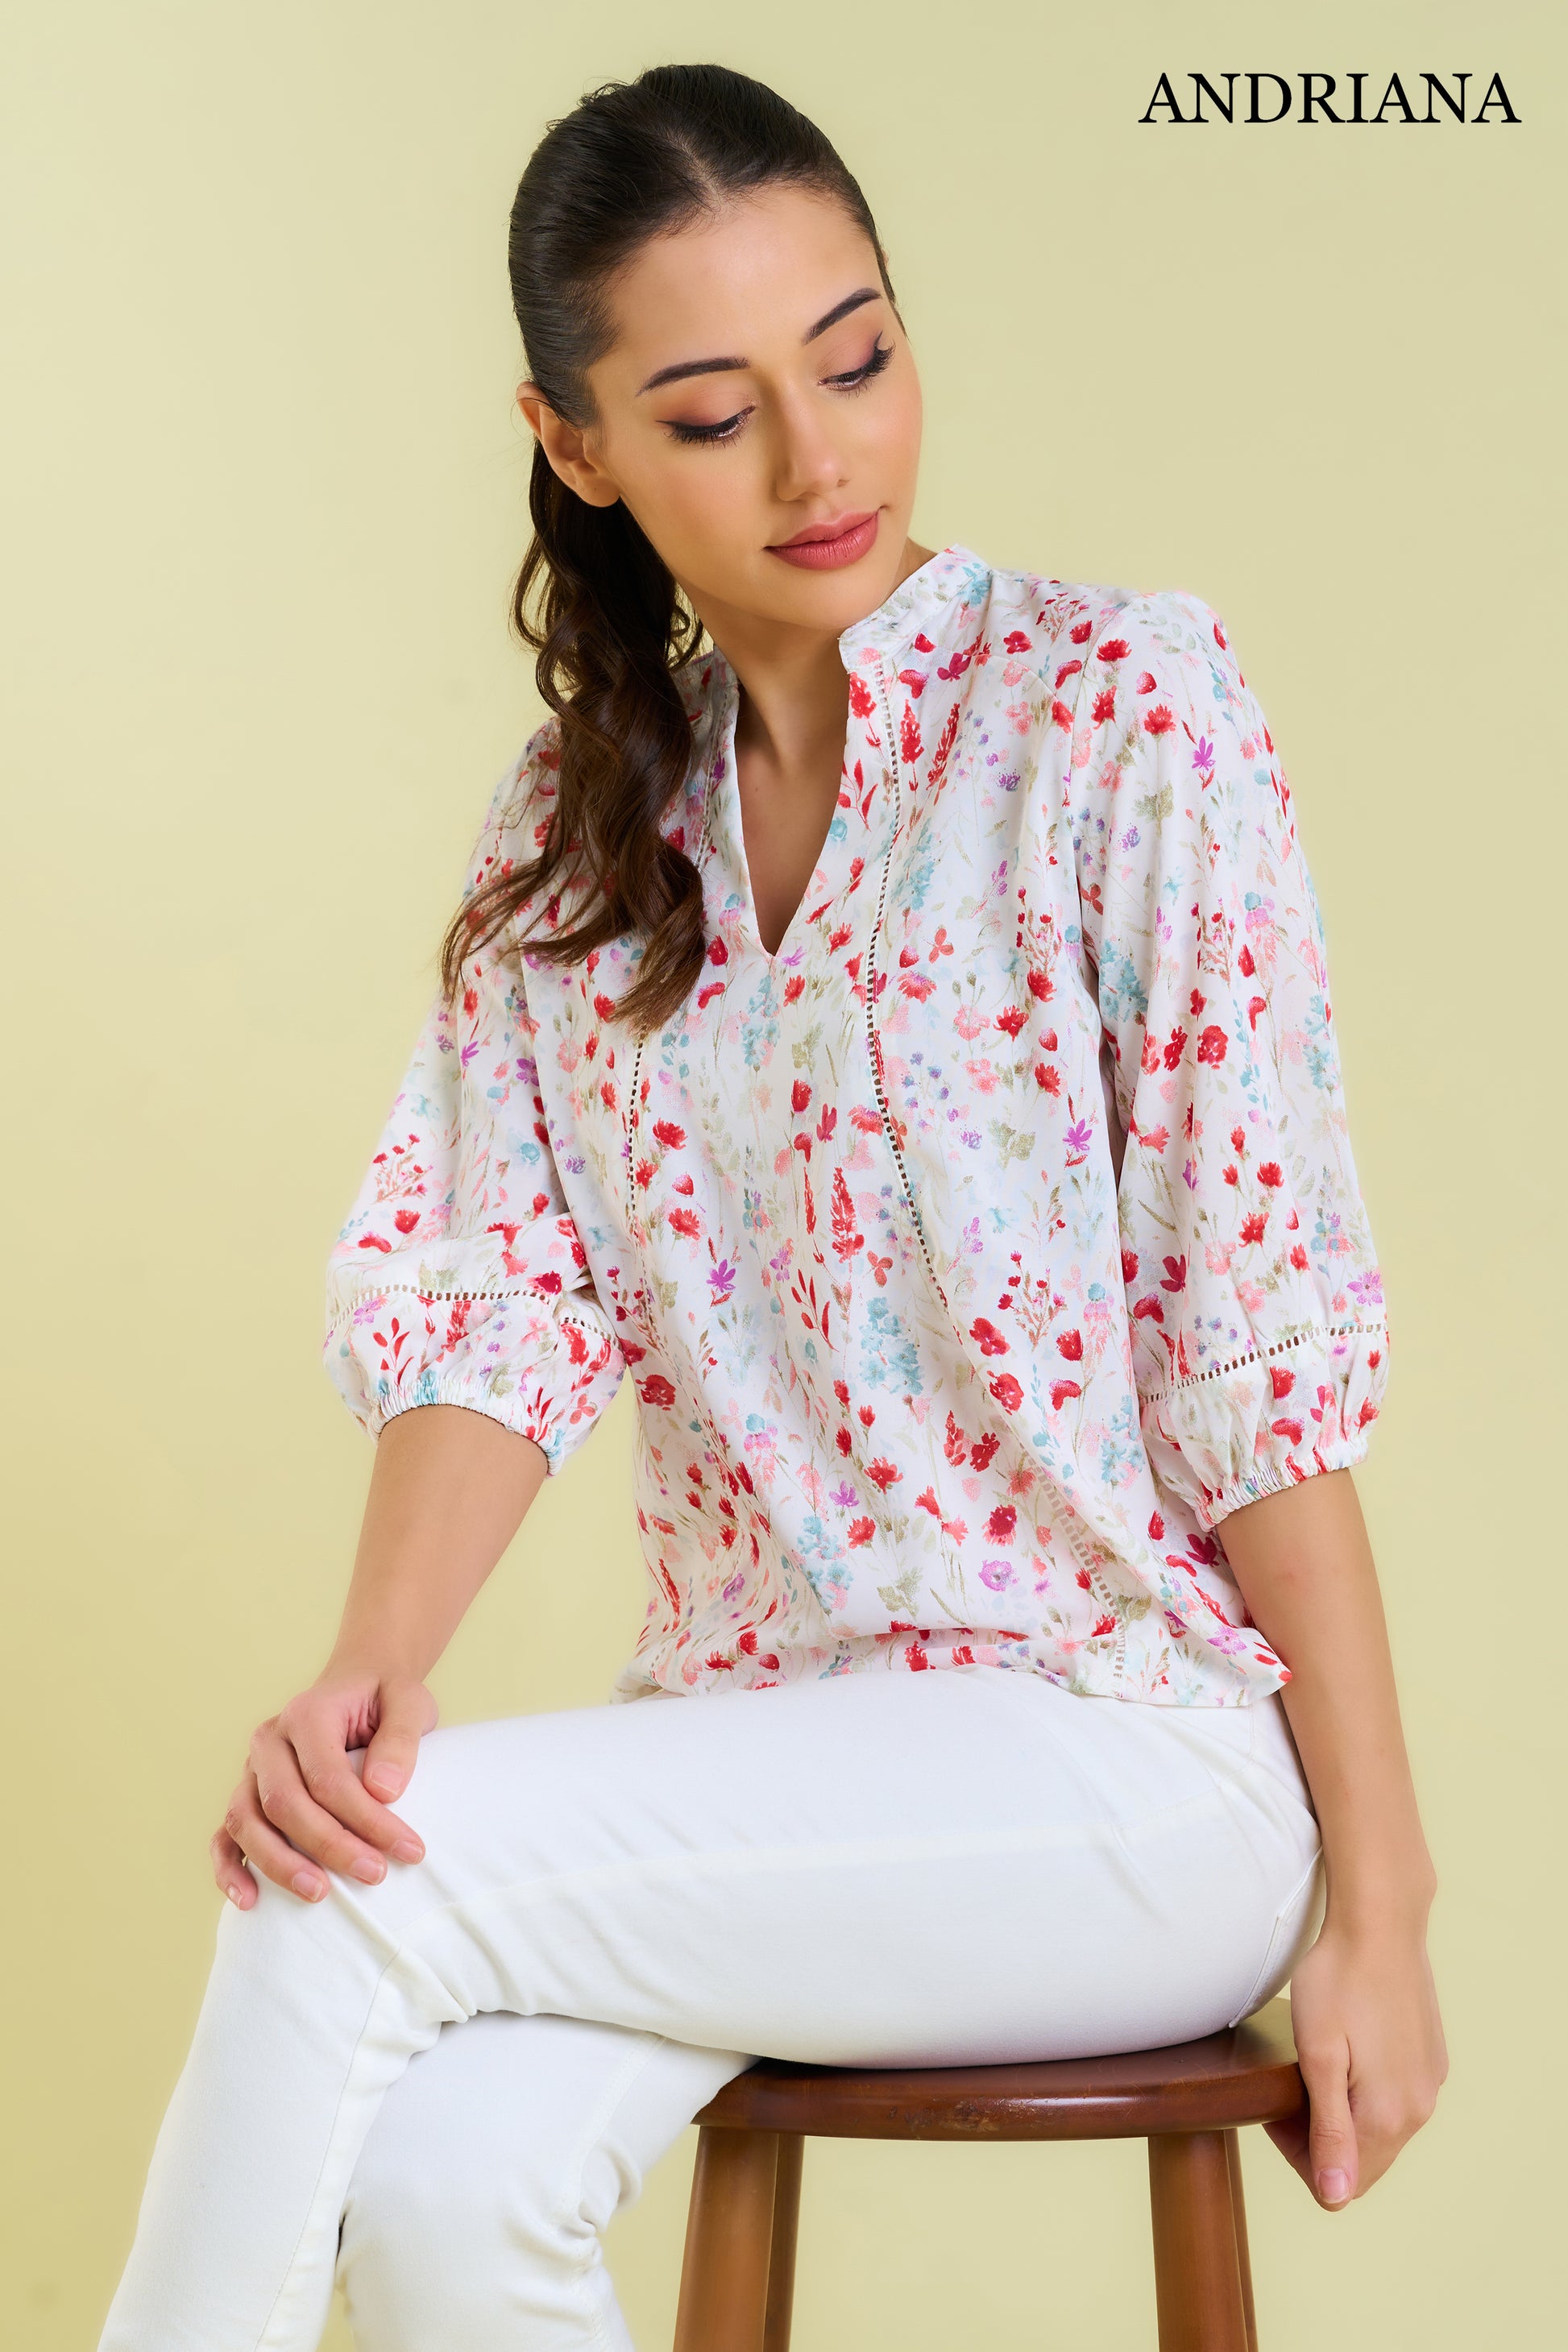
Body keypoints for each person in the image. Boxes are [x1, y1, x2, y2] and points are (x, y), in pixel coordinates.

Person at [97, 60, 1447, 2352]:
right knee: (438, 2183)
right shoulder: (574, 828)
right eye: (716, 415)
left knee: (341, 1906)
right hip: (757, 1745)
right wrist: (366, 1681)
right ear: (574, 445)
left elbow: (1251, 1340)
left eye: (860, 357)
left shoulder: (1119, 714)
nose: (825, 463)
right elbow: (503, 1299)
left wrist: (1382, 1903)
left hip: (1124, 1760)